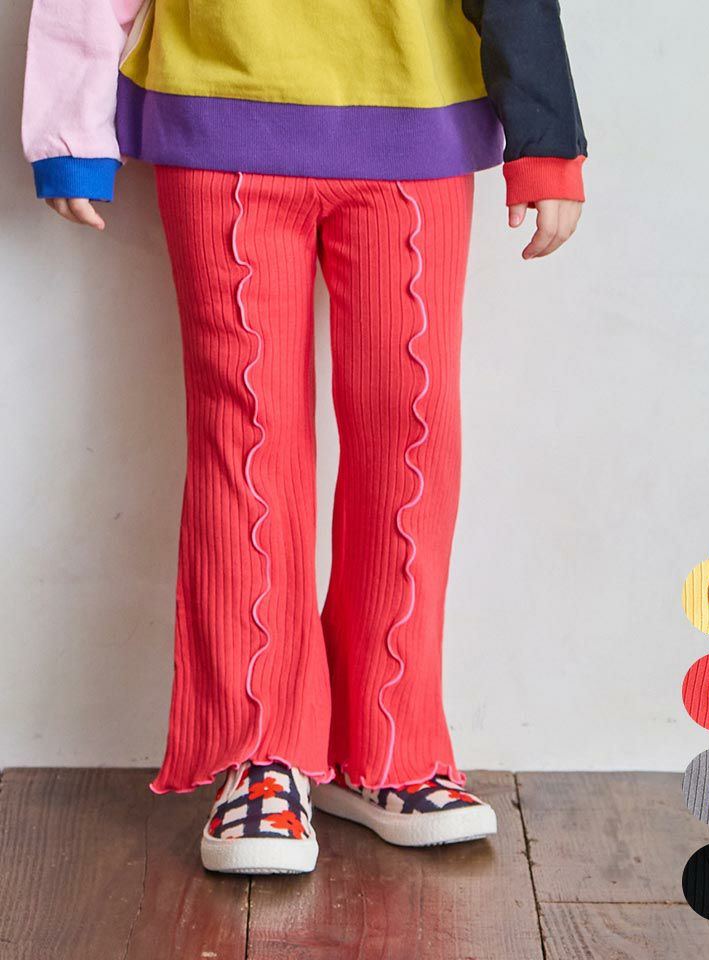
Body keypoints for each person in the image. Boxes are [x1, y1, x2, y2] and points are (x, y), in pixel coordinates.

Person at [22, 0, 587, 874]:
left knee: (411, 433)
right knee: (247, 436)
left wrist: (545, 134)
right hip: (220, 111)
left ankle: (391, 745)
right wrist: (68, 125)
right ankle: (261, 752)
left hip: (418, 118)